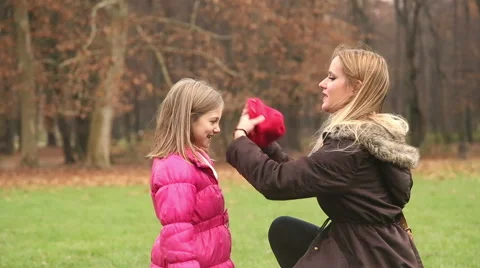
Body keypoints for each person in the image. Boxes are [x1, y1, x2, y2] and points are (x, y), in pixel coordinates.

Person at [226, 45, 423, 268]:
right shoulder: (364, 141)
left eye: (331, 77)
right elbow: (305, 176)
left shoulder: (349, 150)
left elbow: (276, 182)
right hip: (376, 251)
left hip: (367, 257)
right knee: (286, 232)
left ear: (355, 88)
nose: (322, 83)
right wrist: (264, 146)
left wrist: (240, 140)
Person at [147, 78, 234, 268]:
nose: (218, 129)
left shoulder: (194, 161)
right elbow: (176, 233)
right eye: (213, 121)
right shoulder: (175, 169)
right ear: (189, 119)